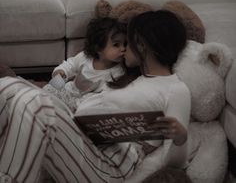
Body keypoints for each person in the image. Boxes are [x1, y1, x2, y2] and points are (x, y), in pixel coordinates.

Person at [0, 10, 191, 183]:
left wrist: (180, 138)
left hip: (111, 165)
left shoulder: (175, 89)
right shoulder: (130, 77)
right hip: (84, 141)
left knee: (38, 104)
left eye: (128, 42)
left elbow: (176, 164)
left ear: (142, 45)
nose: (124, 49)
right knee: (10, 87)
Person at [43, 17, 127, 112]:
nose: (123, 48)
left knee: (88, 104)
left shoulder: (118, 72)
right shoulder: (85, 58)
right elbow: (70, 64)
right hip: (67, 91)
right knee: (49, 88)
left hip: (83, 101)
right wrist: (61, 71)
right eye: (116, 45)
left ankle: (64, 110)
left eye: (125, 44)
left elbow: (105, 95)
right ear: (98, 48)